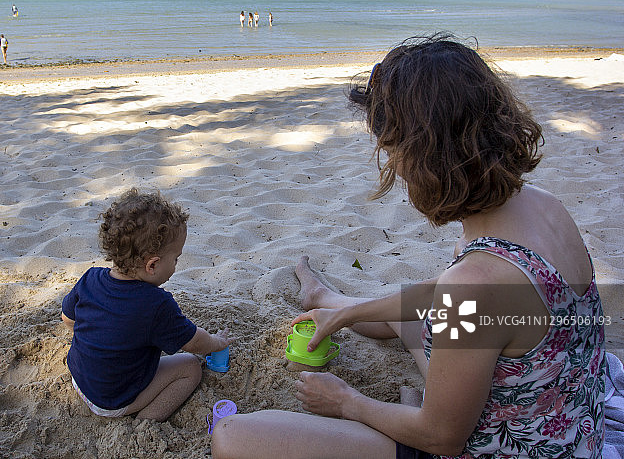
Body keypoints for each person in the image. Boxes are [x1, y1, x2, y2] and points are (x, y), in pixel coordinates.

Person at [212, 34, 606, 458]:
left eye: (392, 151)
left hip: (483, 447)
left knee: (233, 436)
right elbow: (480, 301)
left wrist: (347, 402)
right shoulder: (544, 206)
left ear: (423, 155)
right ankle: (328, 298)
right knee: (415, 317)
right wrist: (351, 310)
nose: (393, 167)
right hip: (569, 429)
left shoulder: (473, 284)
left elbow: (442, 436)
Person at [61, 189, 229, 422]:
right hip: (113, 401)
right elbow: (193, 342)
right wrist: (216, 342)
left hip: (80, 380)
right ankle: (147, 421)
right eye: (176, 258)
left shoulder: (90, 277)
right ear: (152, 265)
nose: (176, 264)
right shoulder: (156, 305)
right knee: (190, 367)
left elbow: (68, 319)